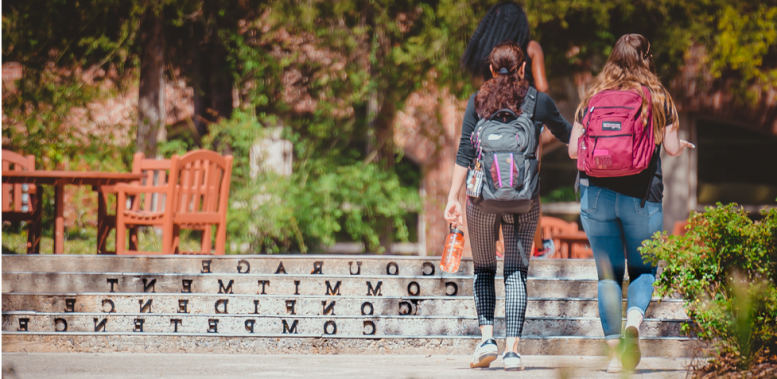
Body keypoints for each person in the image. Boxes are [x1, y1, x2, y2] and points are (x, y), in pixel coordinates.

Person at [567, 34, 694, 373]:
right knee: (643, 270)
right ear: (647, 58)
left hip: (595, 194)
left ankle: (612, 359)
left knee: (607, 275)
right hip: (641, 195)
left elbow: (572, 151)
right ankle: (633, 326)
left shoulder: (590, 98)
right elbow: (669, 148)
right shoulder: (658, 98)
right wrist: (679, 145)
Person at [445, 41, 572, 371]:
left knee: (484, 269)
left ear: (490, 69)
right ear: (523, 68)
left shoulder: (478, 101)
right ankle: (513, 350)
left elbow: (464, 152)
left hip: (481, 200)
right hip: (524, 201)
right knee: (516, 270)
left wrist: (453, 197)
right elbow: (568, 135)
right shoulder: (537, 101)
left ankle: (487, 339)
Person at [461, 1, 553, 258]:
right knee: (530, 184)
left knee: (495, 180)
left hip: (491, 124)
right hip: (526, 125)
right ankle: (535, 247)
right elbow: (543, 86)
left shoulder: (489, 52)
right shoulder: (531, 49)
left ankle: (500, 245)